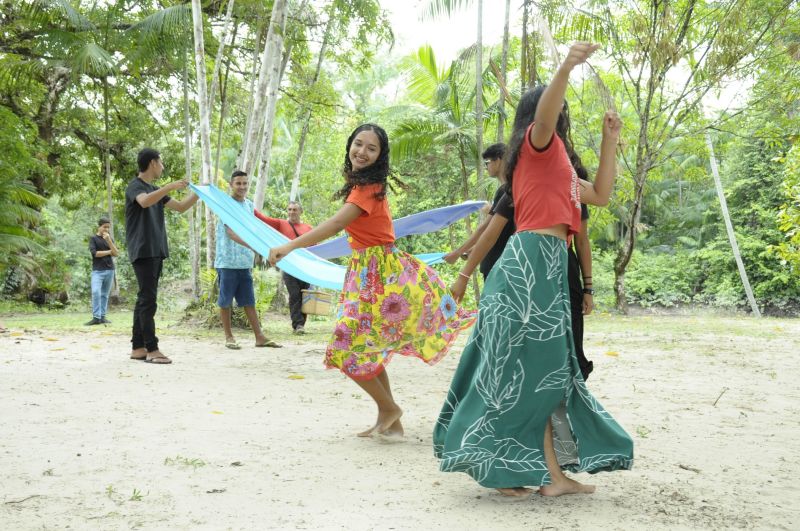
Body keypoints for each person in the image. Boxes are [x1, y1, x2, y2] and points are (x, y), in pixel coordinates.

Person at [434, 43, 633, 499]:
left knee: (544, 372)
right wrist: (565, 66)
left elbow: (599, 194)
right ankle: (498, 465)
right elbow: (544, 117)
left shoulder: (560, 163)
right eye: (554, 107)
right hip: (528, 267)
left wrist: (609, 140)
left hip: (547, 270)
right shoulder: (535, 145)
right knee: (515, 371)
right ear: (539, 116)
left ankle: (552, 477)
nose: (559, 114)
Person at [269, 123, 475, 437]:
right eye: (358, 144)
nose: (362, 152)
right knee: (366, 346)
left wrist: (290, 246)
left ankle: (390, 409)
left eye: (371, 148)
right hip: (370, 272)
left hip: (380, 275)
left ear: (380, 156)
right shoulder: (363, 185)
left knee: (346, 348)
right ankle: (389, 418)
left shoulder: (367, 188)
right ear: (350, 145)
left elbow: (337, 223)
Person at [450, 185, 596, 381]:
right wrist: (464, 275)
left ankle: (570, 395)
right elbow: (489, 233)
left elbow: (583, 240)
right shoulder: (517, 185)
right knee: (523, 342)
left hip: (563, 270)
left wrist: (588, 288)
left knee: (570, 342)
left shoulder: (572, 186)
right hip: (524, 271)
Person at [125, 148, 199, 365]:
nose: (163, 167)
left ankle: (138, 347)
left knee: (144, 299)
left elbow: (181, 207)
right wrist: (170, 186)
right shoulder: (136, 187)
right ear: (152, 163)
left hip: (155, 250)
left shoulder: (155, 190)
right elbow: (144, 201)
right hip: (143, 249)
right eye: (161, 163)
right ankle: (152, 348)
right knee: (148, 300)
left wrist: (200, 193)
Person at [215, 170, 282, 350]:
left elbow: (256, 229)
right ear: (231, 185)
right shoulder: (225, 205)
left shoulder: (249, 206)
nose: (242, 187)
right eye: (238, 183)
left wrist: (265, 246)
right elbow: (230, 232)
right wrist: (254, 246)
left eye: (245, 183)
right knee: (225, 300)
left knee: (248, 300)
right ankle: (229, 337)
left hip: (244, 262)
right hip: (227, 261)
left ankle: (259, 336)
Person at [443, 143, 516, 280]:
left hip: (497, 265)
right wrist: (471, 250)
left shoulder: (505, 191)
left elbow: (485, 229)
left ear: (498, 160)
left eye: (487, 162)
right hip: (505, 264)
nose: (486, 167)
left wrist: (458, 252)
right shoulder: (512, 189)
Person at [255, 201, 312, 334]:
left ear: (300, 212)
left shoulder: (308, 228)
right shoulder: (281, 224)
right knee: (294, 295)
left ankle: (301, 324)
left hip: (305, 267)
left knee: (304, 296)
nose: (292, 212)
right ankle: (298, 325)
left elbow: (314, 247)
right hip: (289, 266)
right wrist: (248, 205)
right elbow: (263, 219)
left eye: (295, 210)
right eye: (290, 209)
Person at [86, 216, 118, 326]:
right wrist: (109, 252)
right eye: (105, 227)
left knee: (105, 294)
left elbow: (116, 253)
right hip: (97, 271)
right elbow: (95, 254)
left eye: (108, 227)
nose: (106, 230)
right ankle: (96, 317)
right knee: (96, 292)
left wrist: (109, 241)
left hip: (110, 270)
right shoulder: (93, 239)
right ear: (99, 227)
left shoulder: (109, 239)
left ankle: (102, 317)